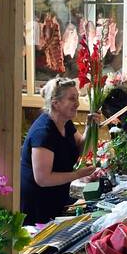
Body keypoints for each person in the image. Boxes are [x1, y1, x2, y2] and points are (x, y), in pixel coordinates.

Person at [20, 77, 96, 225]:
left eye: (78, 97)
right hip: (37, 204)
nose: (78, 103)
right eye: (72, 99)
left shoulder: (65, 124)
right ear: (55, 103)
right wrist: (78, 175)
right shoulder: (43, 133)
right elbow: (43, 179)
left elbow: (82, 146)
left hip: (56, 197)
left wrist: (91, 127)